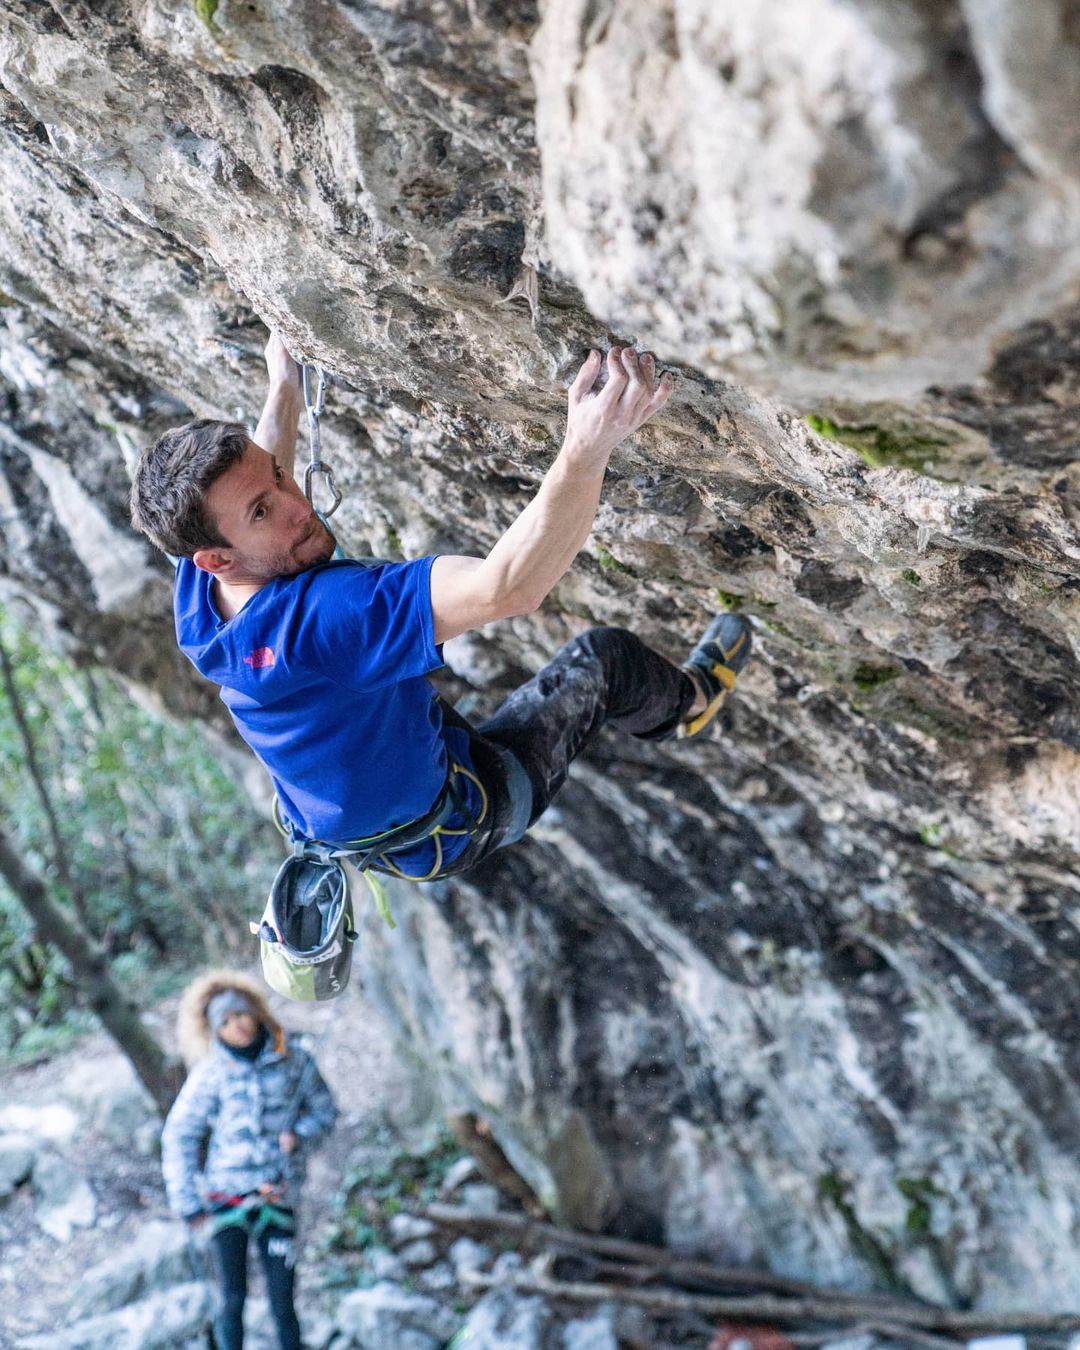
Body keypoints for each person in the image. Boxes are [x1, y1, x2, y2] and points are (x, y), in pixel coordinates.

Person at [130, 337, 753, 880]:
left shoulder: (200, 589)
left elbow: (254, 482)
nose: (298, 506)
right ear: (217, 558)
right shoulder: (330, 619)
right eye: (263, 514)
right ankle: (688, 706)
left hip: (362, 804)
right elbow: (508, 587)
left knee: (407, 680)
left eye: (277, 480)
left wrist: (285, 387)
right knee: (605, 658)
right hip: (462, 812)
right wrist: (586, 450)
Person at [161, 971, 338, 1350]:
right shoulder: (211, 1075)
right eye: (223, 1022)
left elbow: (326, 1111)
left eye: (240, 1015)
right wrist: (187, 1202)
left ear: (255, 1013)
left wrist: (300, 1134)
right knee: (230, 1297)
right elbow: (179, 1134)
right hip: (227, 1200)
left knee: (282, 1298)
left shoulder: (294, 1060)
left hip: (279, 1194)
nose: (235, 1026)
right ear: (212, 1029)